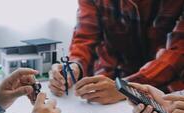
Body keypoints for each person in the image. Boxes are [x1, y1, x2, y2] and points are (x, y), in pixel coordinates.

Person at [49, 0, 184, 105]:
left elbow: (175, 57)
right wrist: (74, 67)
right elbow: (85, 37)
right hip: (104, 90)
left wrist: (125, 88)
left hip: (165, 96)